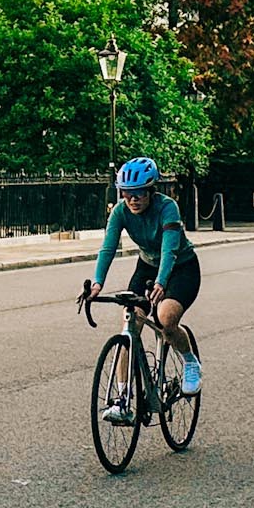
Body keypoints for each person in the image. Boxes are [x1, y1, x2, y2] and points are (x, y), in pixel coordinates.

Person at [86, 156, 201, 423]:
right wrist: (97, 283)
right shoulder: (120, 211)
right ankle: (122, 400)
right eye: (127, 193)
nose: (133, 199)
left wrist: (161, 283)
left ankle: (190, 361)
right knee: (129, 326)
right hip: (147, 266)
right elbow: (108, 247)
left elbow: (169, 249)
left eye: (138, 193)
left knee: (166, 318)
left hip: (181, 267)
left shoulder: (167, 208)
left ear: (151, 190)